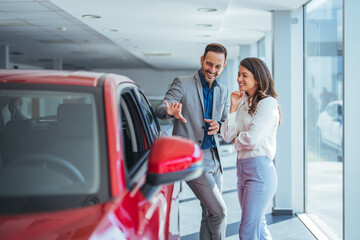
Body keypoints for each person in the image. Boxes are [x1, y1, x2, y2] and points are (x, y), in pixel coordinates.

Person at [155, 43, 230, 240]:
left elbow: (224, 120)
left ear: (223, 66)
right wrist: (169, 111)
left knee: (209, 212)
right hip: (192, 158)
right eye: (209, 64)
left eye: (217, 66)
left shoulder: (222, 90)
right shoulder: (183, 82)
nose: (212, 70)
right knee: (220, 212)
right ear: (201, 60)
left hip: (215, 159)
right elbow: (161, 107)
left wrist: (219, 126)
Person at [220, 57, 280, 240]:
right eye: (238, 74)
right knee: (257, 226)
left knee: (247, 229)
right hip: (242, 171)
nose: (239, 79)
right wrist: (233, 107)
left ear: (258, 77)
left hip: (259, 171)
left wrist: (235, 140)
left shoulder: (268, 103)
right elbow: (226, 134)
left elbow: (252, 140)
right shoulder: (245, 103)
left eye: (244, 75)